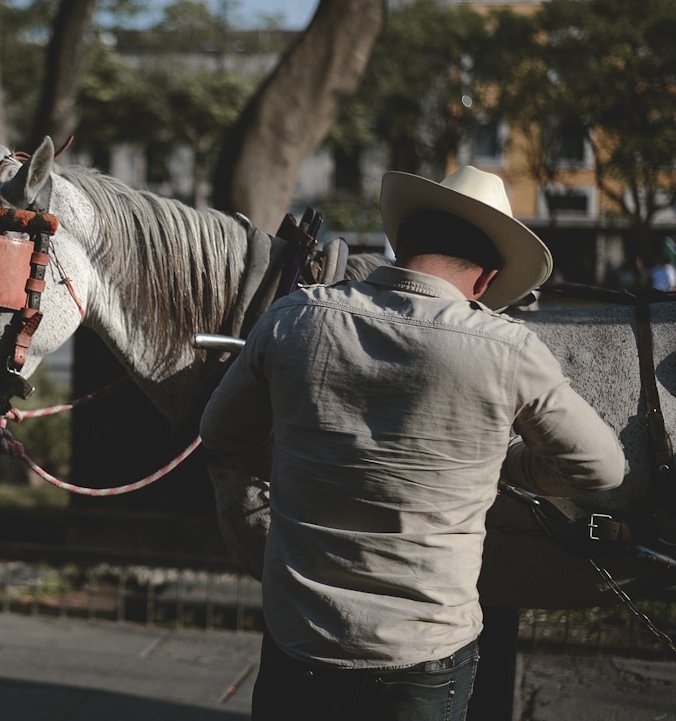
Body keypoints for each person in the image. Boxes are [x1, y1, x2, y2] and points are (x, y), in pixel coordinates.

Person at [199, 165, 626, 721]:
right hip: (424, 654)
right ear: (486, 279)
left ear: (402, 245)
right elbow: (601, 467)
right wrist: (509, 468)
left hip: (299, 637)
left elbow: (220, 433)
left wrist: (305, 460)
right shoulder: (507, 349)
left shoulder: (294, 318)